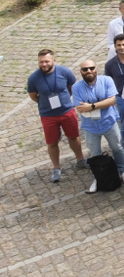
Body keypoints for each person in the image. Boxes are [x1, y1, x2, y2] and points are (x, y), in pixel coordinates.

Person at [72, 60, 124, 192]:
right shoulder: (76, 87)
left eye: (91, 68)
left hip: (108, 122)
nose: (89, 71)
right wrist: (101, 104)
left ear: (96, 68)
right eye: (85, 69)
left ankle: (123, 170)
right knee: (95, 154)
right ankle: (98, 177)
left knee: (117, 148)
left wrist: (91, 106)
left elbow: (112, 100)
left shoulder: (106, 80)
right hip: (90, 126)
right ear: (80, 71)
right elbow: (79, 108)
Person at [28, 49, 86, 183]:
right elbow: (33, 96)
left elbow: (71, 88)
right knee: (52, 142)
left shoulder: (64, 72)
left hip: (67, 111)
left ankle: (80, 159)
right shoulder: (33, 78)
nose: (44, 64)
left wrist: (64, 100)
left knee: (73, 137)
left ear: (53, 60)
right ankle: (56, 168)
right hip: (48, 115)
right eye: (41, 62)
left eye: (46, 61)